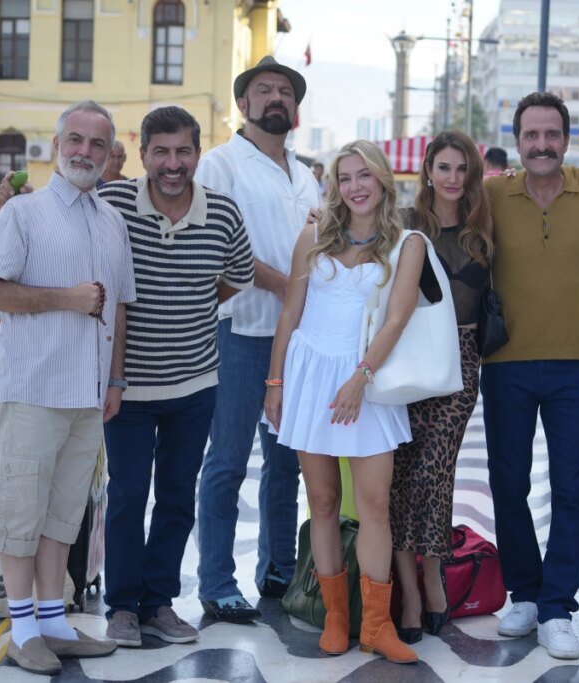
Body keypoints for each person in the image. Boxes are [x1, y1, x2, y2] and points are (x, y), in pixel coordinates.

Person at [0, 99, 133, 675]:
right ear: (57, 143)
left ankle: (53, 623)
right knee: (21, 514)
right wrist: (67, 298)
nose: (85, 152)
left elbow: (118, 307)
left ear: (109, 153)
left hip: (87, 395)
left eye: (97, 144)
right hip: (32, 389)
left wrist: (114, 379)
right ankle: (22, 632)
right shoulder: (23, 213)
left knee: (64, 516)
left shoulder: (112, 220)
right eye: (76, 140)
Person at [95, 108, 254, 646]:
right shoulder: (114, 204)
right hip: (127, 387)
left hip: (194, 384)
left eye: (183, 151)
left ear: (198, 154)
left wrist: (192, 303)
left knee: (177, 497)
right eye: (160, 151)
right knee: (127, 496)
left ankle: (158, 603)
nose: (172, 163)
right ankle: (122, 606)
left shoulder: (222, 212)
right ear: (143, 154)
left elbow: (237, 276)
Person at [264, 140, 423, 664]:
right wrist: (275, 382)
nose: (355, 187)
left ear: (382, 180)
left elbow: (397, 319)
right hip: (310, 377)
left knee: (375, 504)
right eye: (345, 177)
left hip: (367, 381)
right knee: (324, 501)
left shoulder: (406, 243)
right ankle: (334, 616)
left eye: (364, 175)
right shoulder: (313, 234)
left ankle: (376, 625)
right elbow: (291, 312)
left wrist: (360, 378)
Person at [194, 56, 320, 621]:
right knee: (226, 460)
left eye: (286, 92)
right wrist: (284, 286)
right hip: (240, 333)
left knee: (287, 462)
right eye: (265, 89)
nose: (277, 98)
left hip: (298, 340)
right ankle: (217, 582)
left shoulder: (306, 174)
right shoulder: (220, 165)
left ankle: (277, 570)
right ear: (243, 104)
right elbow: (212, 247)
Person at [481, 91, 579, 660]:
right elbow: (436, 210)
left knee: (571, 489)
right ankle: (525, 594)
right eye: (531, 135)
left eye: (552, 134)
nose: (541, 145)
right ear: (517, 141)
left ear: (567, 139)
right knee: (507, 483)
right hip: (505, 363)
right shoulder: (492, 193)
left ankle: (557, 607)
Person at [389, 131, 492, 643]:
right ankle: (410, 590)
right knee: (402, 474)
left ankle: (432, 575)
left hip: (462, 359)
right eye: (444, 167)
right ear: (428, 170)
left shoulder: (482, 230)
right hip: (408, 360)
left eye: (462, 168)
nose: (453, 178)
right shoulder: (402, 223)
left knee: (435, 467)